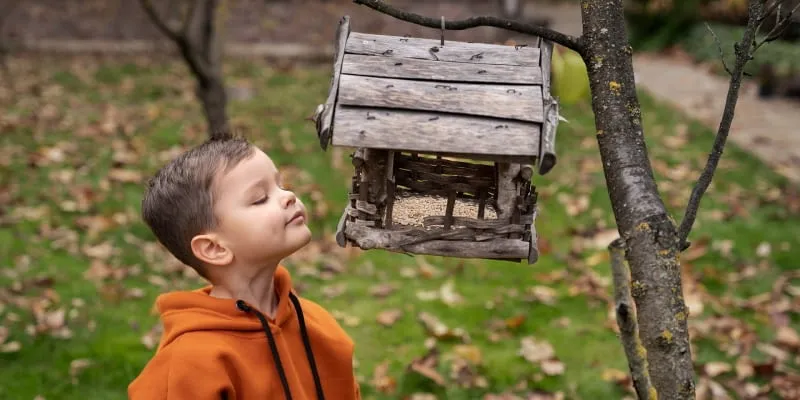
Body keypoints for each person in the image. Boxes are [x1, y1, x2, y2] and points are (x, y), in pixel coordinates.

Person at [128, 134, 360, 399]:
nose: (288, 196)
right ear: (215, 248)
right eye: (260, 198)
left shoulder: (317, 325)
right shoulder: (191, 363)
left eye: (280, 185)